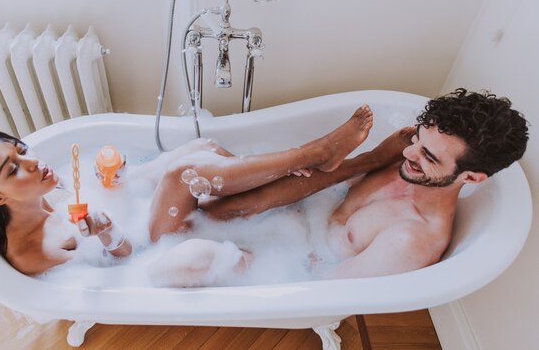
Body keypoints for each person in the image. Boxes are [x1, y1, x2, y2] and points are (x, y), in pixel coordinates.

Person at [0, 105, 410, 281]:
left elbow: (118, 188)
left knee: (236, 186)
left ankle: (365, 161)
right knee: (187, 174)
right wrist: (103, 230)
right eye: (12, 167)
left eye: (20, 148)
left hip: (156, 217)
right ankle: (312, 152)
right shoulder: (33, 251)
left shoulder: (45, 185)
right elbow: (121, 259)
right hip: (150, 246)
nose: (33, 160)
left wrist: (115, 179)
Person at [201, 89, 529, 279]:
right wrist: (373, 159)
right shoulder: (410, 167)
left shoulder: (410, 240)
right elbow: (322, 191)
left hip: (275, 261)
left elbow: (327, 287)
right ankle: (312, 155)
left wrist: (250, 256)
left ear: (472, 178)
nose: (406, 152)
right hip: (286, 220)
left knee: (190, 251)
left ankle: (312, 154)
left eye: (428, 155)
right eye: (417, 137)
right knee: (203, 156)